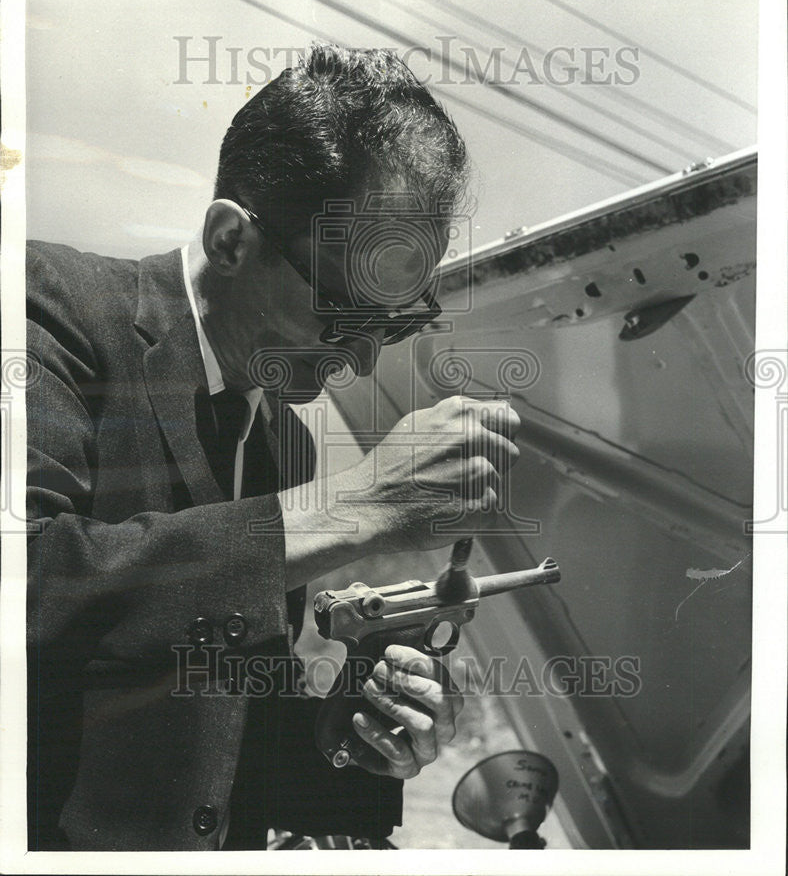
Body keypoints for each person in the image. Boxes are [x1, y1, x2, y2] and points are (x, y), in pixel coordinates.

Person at [26, 43, 521, 850]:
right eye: (341, 313)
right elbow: (31, 583)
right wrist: (358, 506)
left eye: (392, 327)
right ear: (229, 239)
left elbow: (213, 747)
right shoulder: (48, 306)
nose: (360, 360)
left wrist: (351, 733)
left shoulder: (283, 441)